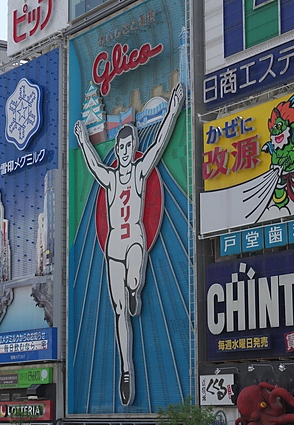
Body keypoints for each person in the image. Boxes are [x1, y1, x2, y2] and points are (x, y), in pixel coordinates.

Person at [73, 83, 184, 405]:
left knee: (135, 278)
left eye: (128, 146)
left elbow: (159, 143)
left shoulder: (139, 173)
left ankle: (135, 289)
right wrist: (82, 140)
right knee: (119, 311)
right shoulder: (110, 179)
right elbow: (94, 166)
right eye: (120, 147)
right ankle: (125, 369)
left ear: (133, 146)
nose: (123, 151)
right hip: (113, 247)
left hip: (134, 239)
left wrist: (174, 108)